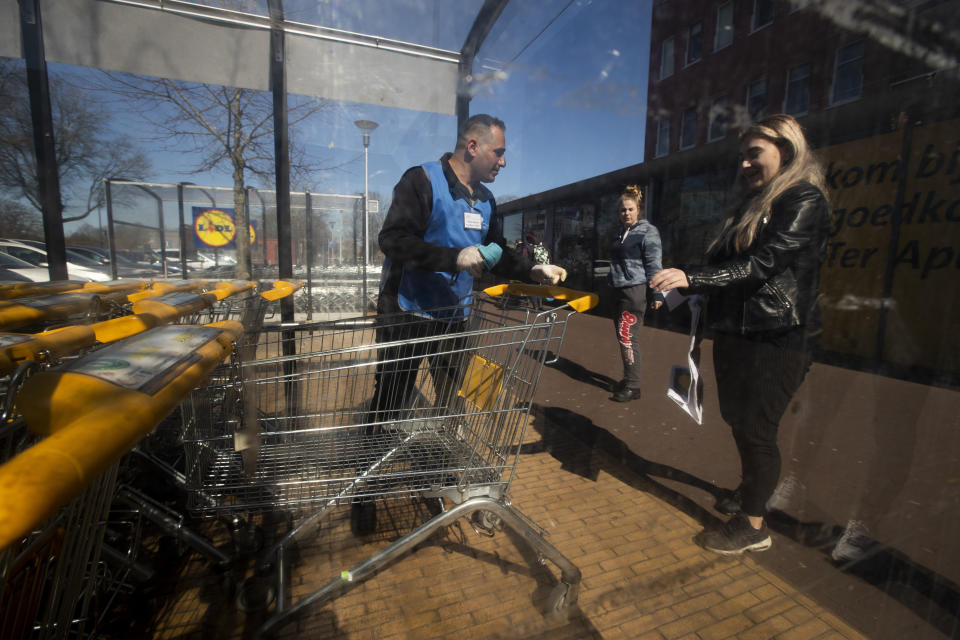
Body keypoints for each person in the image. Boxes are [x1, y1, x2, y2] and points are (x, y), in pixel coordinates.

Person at [650, 114, 830, 555]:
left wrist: (690, 278)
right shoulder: (751, 205)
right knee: (739, 422)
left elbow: (762, 264)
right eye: (742, 157)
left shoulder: (803, 198)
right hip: (737, 331)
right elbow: (723, 268)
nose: (745, 164)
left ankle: (753, 526)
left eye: (754, 154)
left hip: (779, 335)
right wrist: (676, 292)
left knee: (757, 430)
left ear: (785, 151)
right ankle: (752, 489)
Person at [372, 114, 568, 420]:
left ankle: (445, 462)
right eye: (499, 153)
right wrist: (455, 258)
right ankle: (373, 450)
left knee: (453, 402)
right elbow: (392, 239)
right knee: (390, 398)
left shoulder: (487, 201)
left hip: (453, 317)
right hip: (406, 312)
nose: (503, 163)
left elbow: (496, 252)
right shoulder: (422, 180)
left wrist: (531, 270)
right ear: (473, 146)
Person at [608, 185, 663, 402]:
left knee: (628, 338)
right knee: (624, 338)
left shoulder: (648, 231)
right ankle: (629, 378)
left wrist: (657, 293)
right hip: (617, 290)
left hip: (634, 292)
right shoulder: (620, 232)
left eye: (630, 209)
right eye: (623, 210)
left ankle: (633, 386)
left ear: (638, 209)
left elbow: (654, 264)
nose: (626, 213)